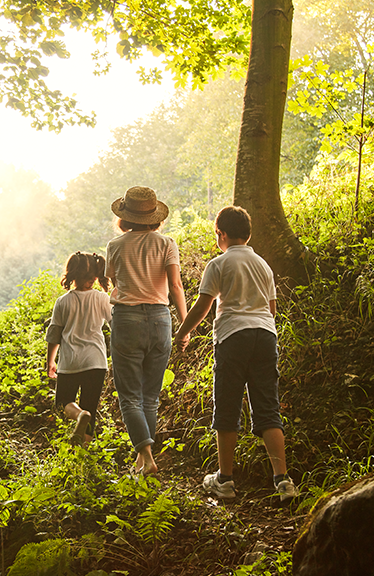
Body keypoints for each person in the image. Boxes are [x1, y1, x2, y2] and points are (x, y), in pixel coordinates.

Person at [174, 206, 298, 501]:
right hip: (266, 336)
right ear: (249, 234)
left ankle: (225, 480)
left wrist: (182, 332)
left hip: (233, 337)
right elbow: (272, 309)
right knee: (268, 408)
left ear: (222, 234)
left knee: (228, 407)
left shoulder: (218, 264)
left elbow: (203, 306)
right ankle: (283, 481)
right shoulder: (263, 265)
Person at [106, 186, 188, 475]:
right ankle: (143, 460)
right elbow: (176, 286)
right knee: (150, 396)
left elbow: (112, 281)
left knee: (129, 396)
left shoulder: (115, 246)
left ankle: (146, 456)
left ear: (125, 217)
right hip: (160, 319)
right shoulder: (167, 243)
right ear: (155, 217)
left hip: (127, 320)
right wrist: (185, 326)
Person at [45, 251, 113, 445]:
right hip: (96, 361)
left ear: (72, 275)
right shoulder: (102, 298)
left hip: (70, 361)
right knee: (91, 405)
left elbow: (54, 334)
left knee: (62, 403)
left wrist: (50, 361)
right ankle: (83, 449)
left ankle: (79, 415)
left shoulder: (63, 302)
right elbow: (115, 325)